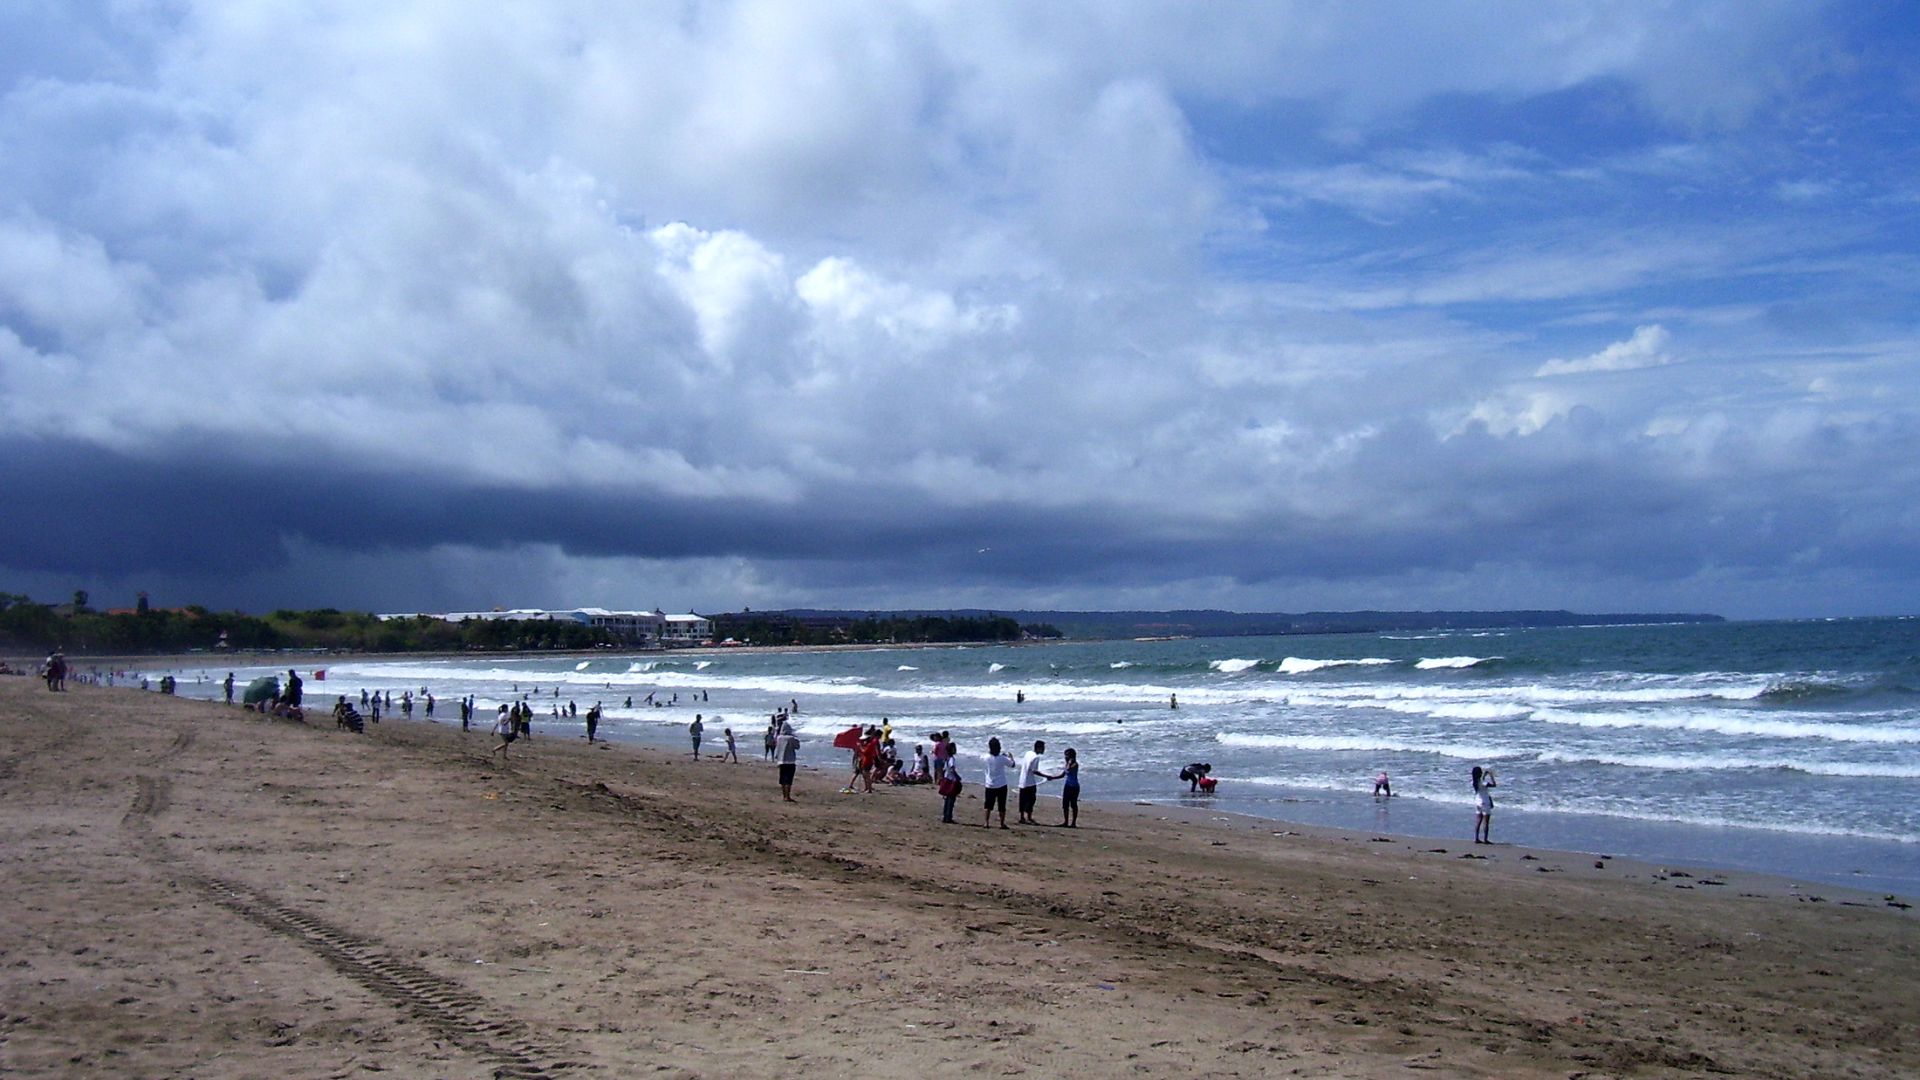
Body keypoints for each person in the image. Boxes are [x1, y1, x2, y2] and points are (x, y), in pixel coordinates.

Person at [1016, 740, 1061, 825]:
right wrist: (1047, 776)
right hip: (1030, 782)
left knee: (1022, 800)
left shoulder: (1028, 753)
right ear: (1039, 748)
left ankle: (1022, 817)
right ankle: (1029, 817)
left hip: (1022, 780)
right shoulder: (1035, 757)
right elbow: (1034, 771)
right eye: (1043, 748)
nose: (1044, 750)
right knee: (1031, 800)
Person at [982, 737, 1015, 829]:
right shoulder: (1002, 758)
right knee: (1001, 805)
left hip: (990, 784)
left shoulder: (986, 757)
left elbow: (984, 757)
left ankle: (986, 822)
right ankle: (1001, 823)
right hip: (1001, 784)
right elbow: (1012, 764)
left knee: (988, 805)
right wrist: (1010, 756)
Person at [773, 720, 801, 802]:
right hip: (790, 761)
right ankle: (787, 796)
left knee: (782, 779)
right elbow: (797, 747)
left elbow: (777, 748)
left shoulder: (779, 738)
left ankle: (784, 795)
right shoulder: (791, 738)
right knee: (789, 780)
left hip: (781, 760)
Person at [938, 745, 964, 824]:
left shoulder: (947, 759)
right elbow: (952, 769)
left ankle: (946, 816)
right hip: (951, 780)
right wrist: (957, 777)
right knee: (951, 799)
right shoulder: (951, 759)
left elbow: (944, 769)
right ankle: (948, 816)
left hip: (947, 779)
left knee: (947, 799)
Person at [1472, 766, 1496, 843]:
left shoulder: (1474, 782)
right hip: (1485, 802)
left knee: (1478, 820)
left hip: (1478, 802)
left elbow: (1481, 780)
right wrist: (1491, 776)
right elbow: (1494, 785)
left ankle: (1476, 838)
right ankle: (1485, 839)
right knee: (1486, 821)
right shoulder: (1483, 783)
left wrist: (1485, 775)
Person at [1058, 748, 1080, 827]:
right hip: (1067, 785)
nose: (1065, 757)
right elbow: (1062, 775)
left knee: (1073, 804)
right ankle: (1066, 821)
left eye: (1067, 755)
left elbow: (1069, 769)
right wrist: (1052, 777)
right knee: (1065, 804)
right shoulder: (1067, 764)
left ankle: (1073, 823)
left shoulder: (1075, 764)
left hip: (1074, 786)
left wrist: (1070, 762)